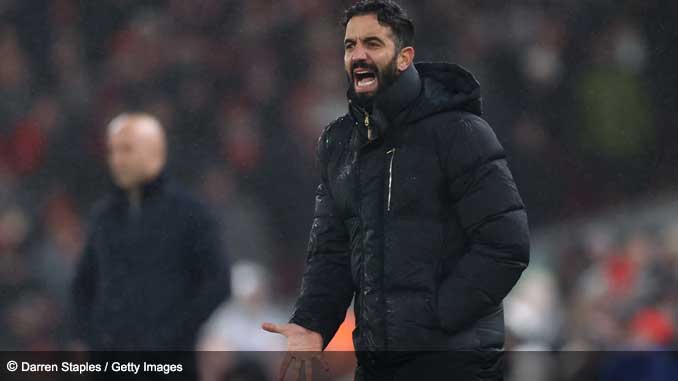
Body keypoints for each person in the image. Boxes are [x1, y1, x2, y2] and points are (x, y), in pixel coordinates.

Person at [263, 1, 530, 380]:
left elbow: (506, 244)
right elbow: (332, 254)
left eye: (372, 44)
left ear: (404, 57)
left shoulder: (459, 132)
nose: (358, 55)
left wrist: (437, 317)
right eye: (350, 45)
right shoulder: (338, 144)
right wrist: (310, 323)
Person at [71, 113, 230, 354]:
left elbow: (217, 283)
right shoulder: (104, 216)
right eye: (113, 151)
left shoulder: (189, 214)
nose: (118, 160)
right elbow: (83, 284)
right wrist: (92, 336)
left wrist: (176, 333)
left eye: (127, 150)